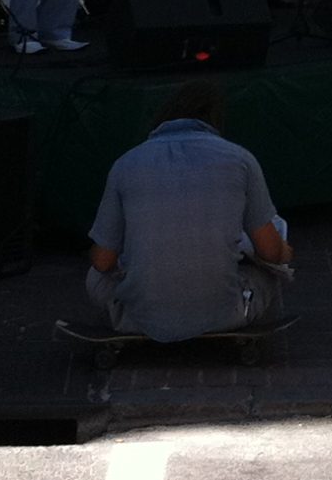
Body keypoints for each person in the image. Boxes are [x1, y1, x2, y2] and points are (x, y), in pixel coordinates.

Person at [85, 81, 292, 342]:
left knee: (95, 277)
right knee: (268, 270)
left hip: (137, 318)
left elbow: (102, 261)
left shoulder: (125, 163)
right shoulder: (241, 160)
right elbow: (270, 252)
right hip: (227, 314)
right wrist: (284, 253)